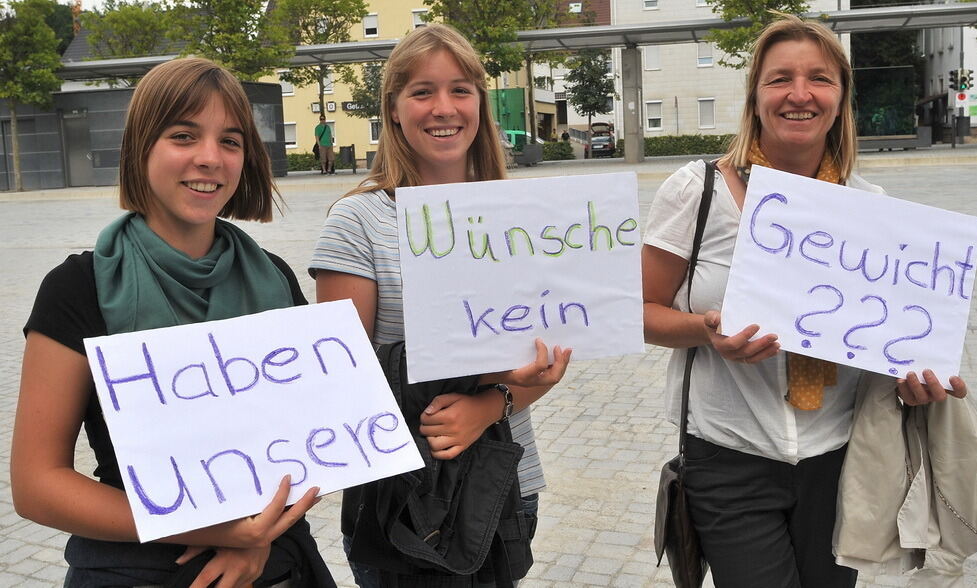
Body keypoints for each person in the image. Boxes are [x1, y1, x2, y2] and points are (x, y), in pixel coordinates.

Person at [641, 15, 967, 588]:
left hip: (843, 459)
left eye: (819, 78)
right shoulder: (699, 190)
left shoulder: (872, 209)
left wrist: (914, 378)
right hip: (728, 453)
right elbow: (638, 309)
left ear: (840, 97)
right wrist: (704, 331)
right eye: (779, 79)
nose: (799, 94)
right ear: (755, 97)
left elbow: (881, 339)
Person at [11, 57, 336, 588]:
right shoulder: (76, 288)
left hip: (278, 563)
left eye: (230, 141)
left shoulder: (275, 279)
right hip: (131, 567)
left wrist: (260, 538)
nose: (210, 158)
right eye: (184, 135)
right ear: (142, 148)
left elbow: (318, 447)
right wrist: (222, 531)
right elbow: (36, 485)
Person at [309, 23, 571, 586]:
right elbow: (344, 379)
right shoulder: (358, 222)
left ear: (480, 102)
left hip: (505, 488)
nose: (443, 108)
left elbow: (552, 356)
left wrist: (491, 405)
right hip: (405, 499)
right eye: (421, 92)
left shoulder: (525, 216)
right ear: (394, 110)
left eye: (460, 89)